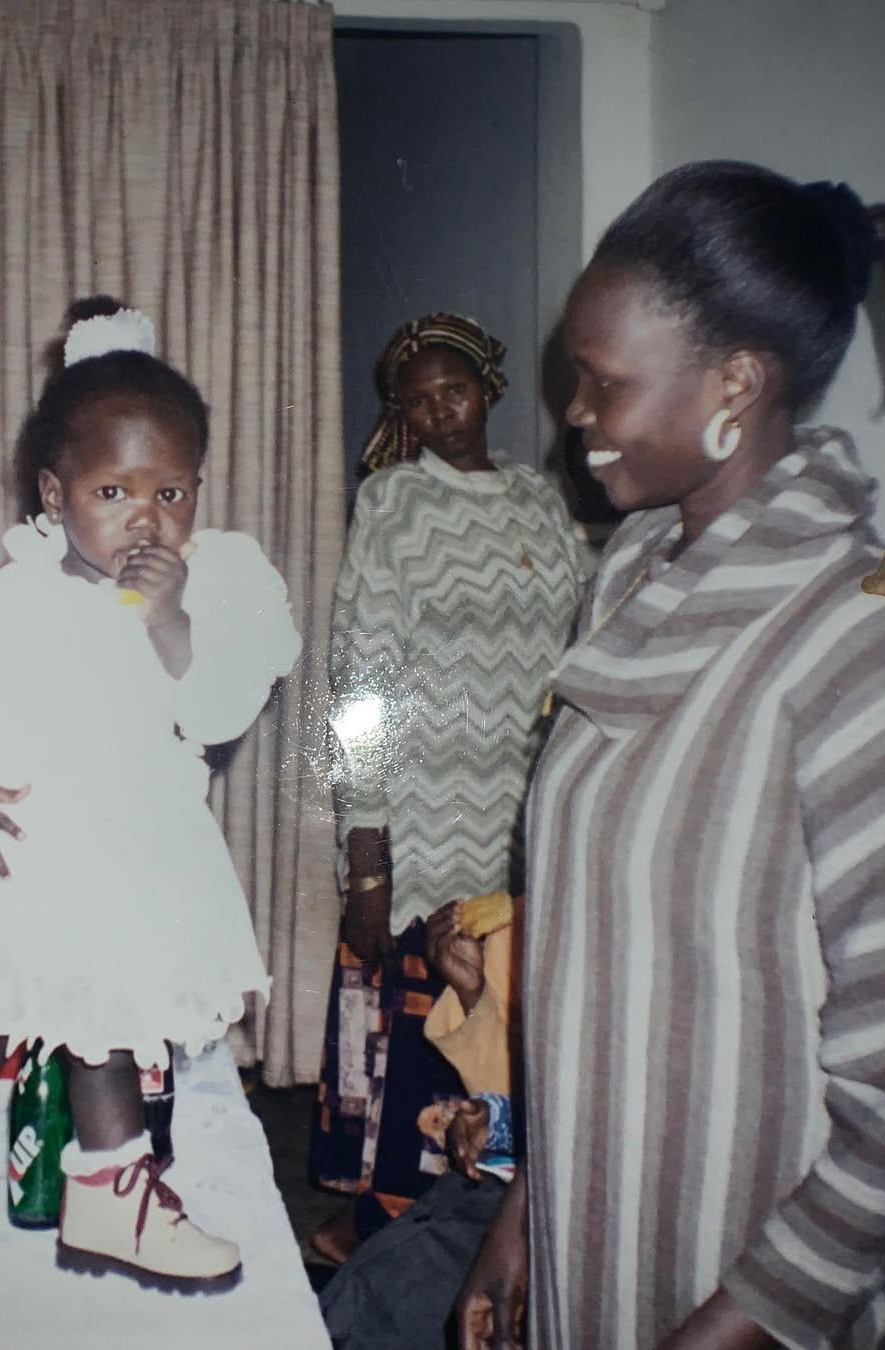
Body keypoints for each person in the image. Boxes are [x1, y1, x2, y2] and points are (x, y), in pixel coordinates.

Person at [457, 162, 885, 1350]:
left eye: (605, 384)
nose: (575, 414)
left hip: (742, 1283)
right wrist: (528, 1211)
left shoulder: (853, 637)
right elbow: (599, 966)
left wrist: (734, 1327)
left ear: (736, 383)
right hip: (587, 1239)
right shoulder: (628, 581)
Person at [0, 298, 302, 1343]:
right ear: (54, 494)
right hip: (4, 858)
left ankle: (112, 1193)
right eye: (112, 492)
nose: (146, 518)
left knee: (110, 1036)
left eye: (171, 492)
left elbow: (214, 709)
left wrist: (171, 618)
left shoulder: (197, 600)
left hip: (120, 865)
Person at [309, 313, 582, 1261]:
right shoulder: (395, 504)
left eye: (453, 391)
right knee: (425, 1029)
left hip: (527, 807)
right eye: (417, 402)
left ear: (487, 388)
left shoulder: (540, 499)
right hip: (429, 813)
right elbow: (362, 679)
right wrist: (366, 851)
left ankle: (484, 1222)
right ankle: (390, 1233)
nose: (439, 413)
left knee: (501, 1021)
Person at [320, 897, 523, 1350]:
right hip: (512, 1181)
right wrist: (473, 995)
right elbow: (531, 1096)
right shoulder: (528, 928)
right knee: (361, 1304)